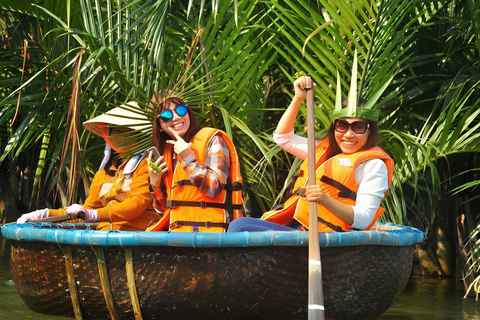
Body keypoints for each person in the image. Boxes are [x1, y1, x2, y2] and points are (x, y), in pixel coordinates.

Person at [228, 75, 394, 232]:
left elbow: (364, 219)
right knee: (240, 224)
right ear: (334, 127)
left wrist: (325, 199)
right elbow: (283, 138)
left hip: (326, 235)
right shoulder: (321, 151)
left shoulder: (373, 166)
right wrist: (298, 98)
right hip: (297, 228)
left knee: (240, 226)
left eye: (358, 127)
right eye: (342, 125)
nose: (349, 134)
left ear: (369, 131)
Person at [17, 102, 158, 231]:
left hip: (140, 237)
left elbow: (137, 204)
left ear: (140, 136)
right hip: (104, 237)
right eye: (117, 131)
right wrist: (44, 215)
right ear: (108, 135)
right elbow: (84, 212)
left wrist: (92, 214)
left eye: (128, 131)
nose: (123, 136)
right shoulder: (103, 174)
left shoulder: (147, 165)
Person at [145, 93, 243, 232]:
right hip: (179, 239)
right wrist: (155, 185)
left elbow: (214, 188)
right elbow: (164, 212)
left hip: (213, 238)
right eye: (167, 116)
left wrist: (187, 157)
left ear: (188, 113)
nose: (177, 117)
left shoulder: (213, 139)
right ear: (160, 126)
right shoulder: (167, 153)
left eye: (180, 110)